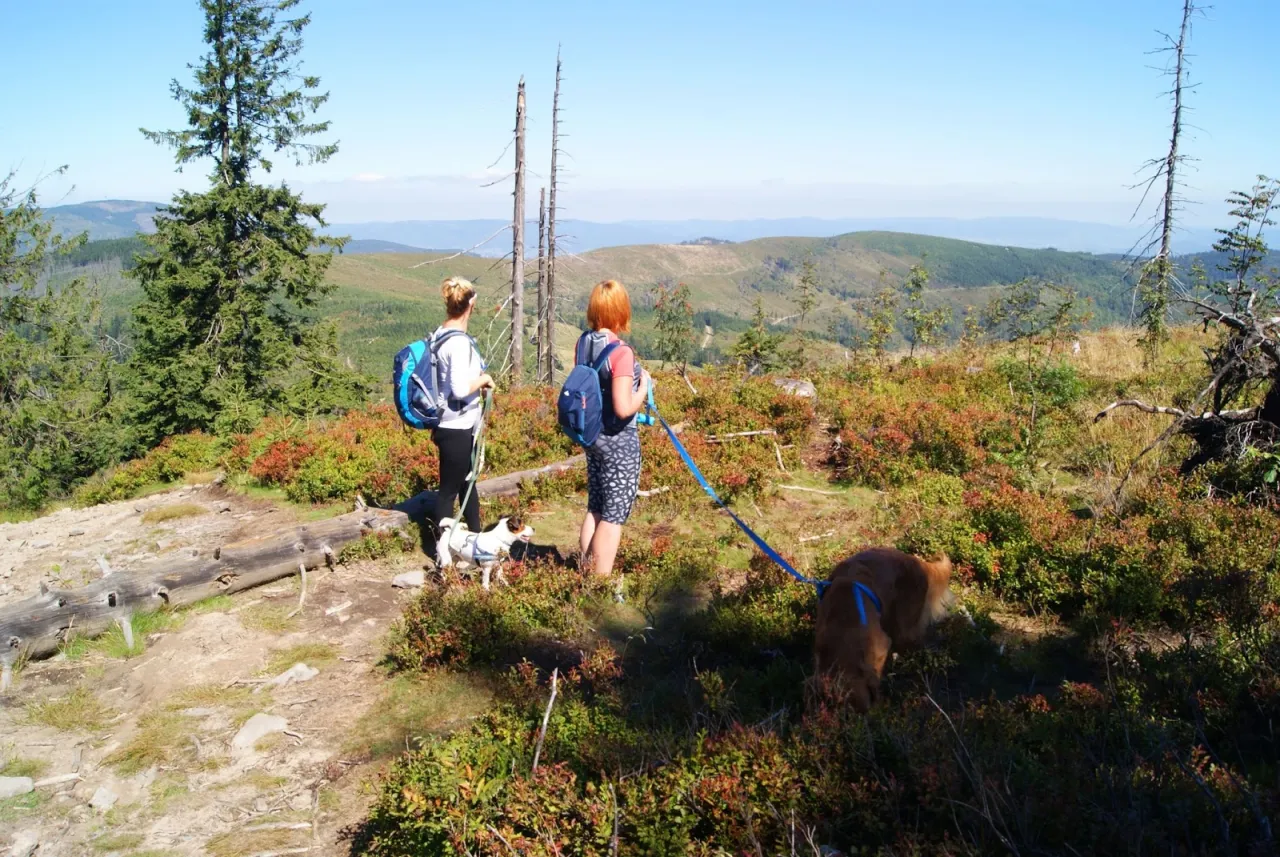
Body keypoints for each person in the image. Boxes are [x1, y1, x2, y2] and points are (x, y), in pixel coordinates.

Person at [577, 280, 651, 579]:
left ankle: (584, 570)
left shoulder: (583, 342)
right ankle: (600, 583)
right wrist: (643, 387)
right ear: (621, 311)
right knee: (613, 515)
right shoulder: (621, 353)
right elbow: (623, 407)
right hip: (618, 441)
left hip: (592, 436)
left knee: (595, 505)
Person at [431, 277, 494, 535]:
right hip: (456, 425)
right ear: (471, 304)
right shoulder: (457, 342)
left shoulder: (441, 333)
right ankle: (442, 555)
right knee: (448, 491)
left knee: (468, 483)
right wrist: (484, 379)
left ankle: (475, 539)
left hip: (453, 422)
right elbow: (458, 389)